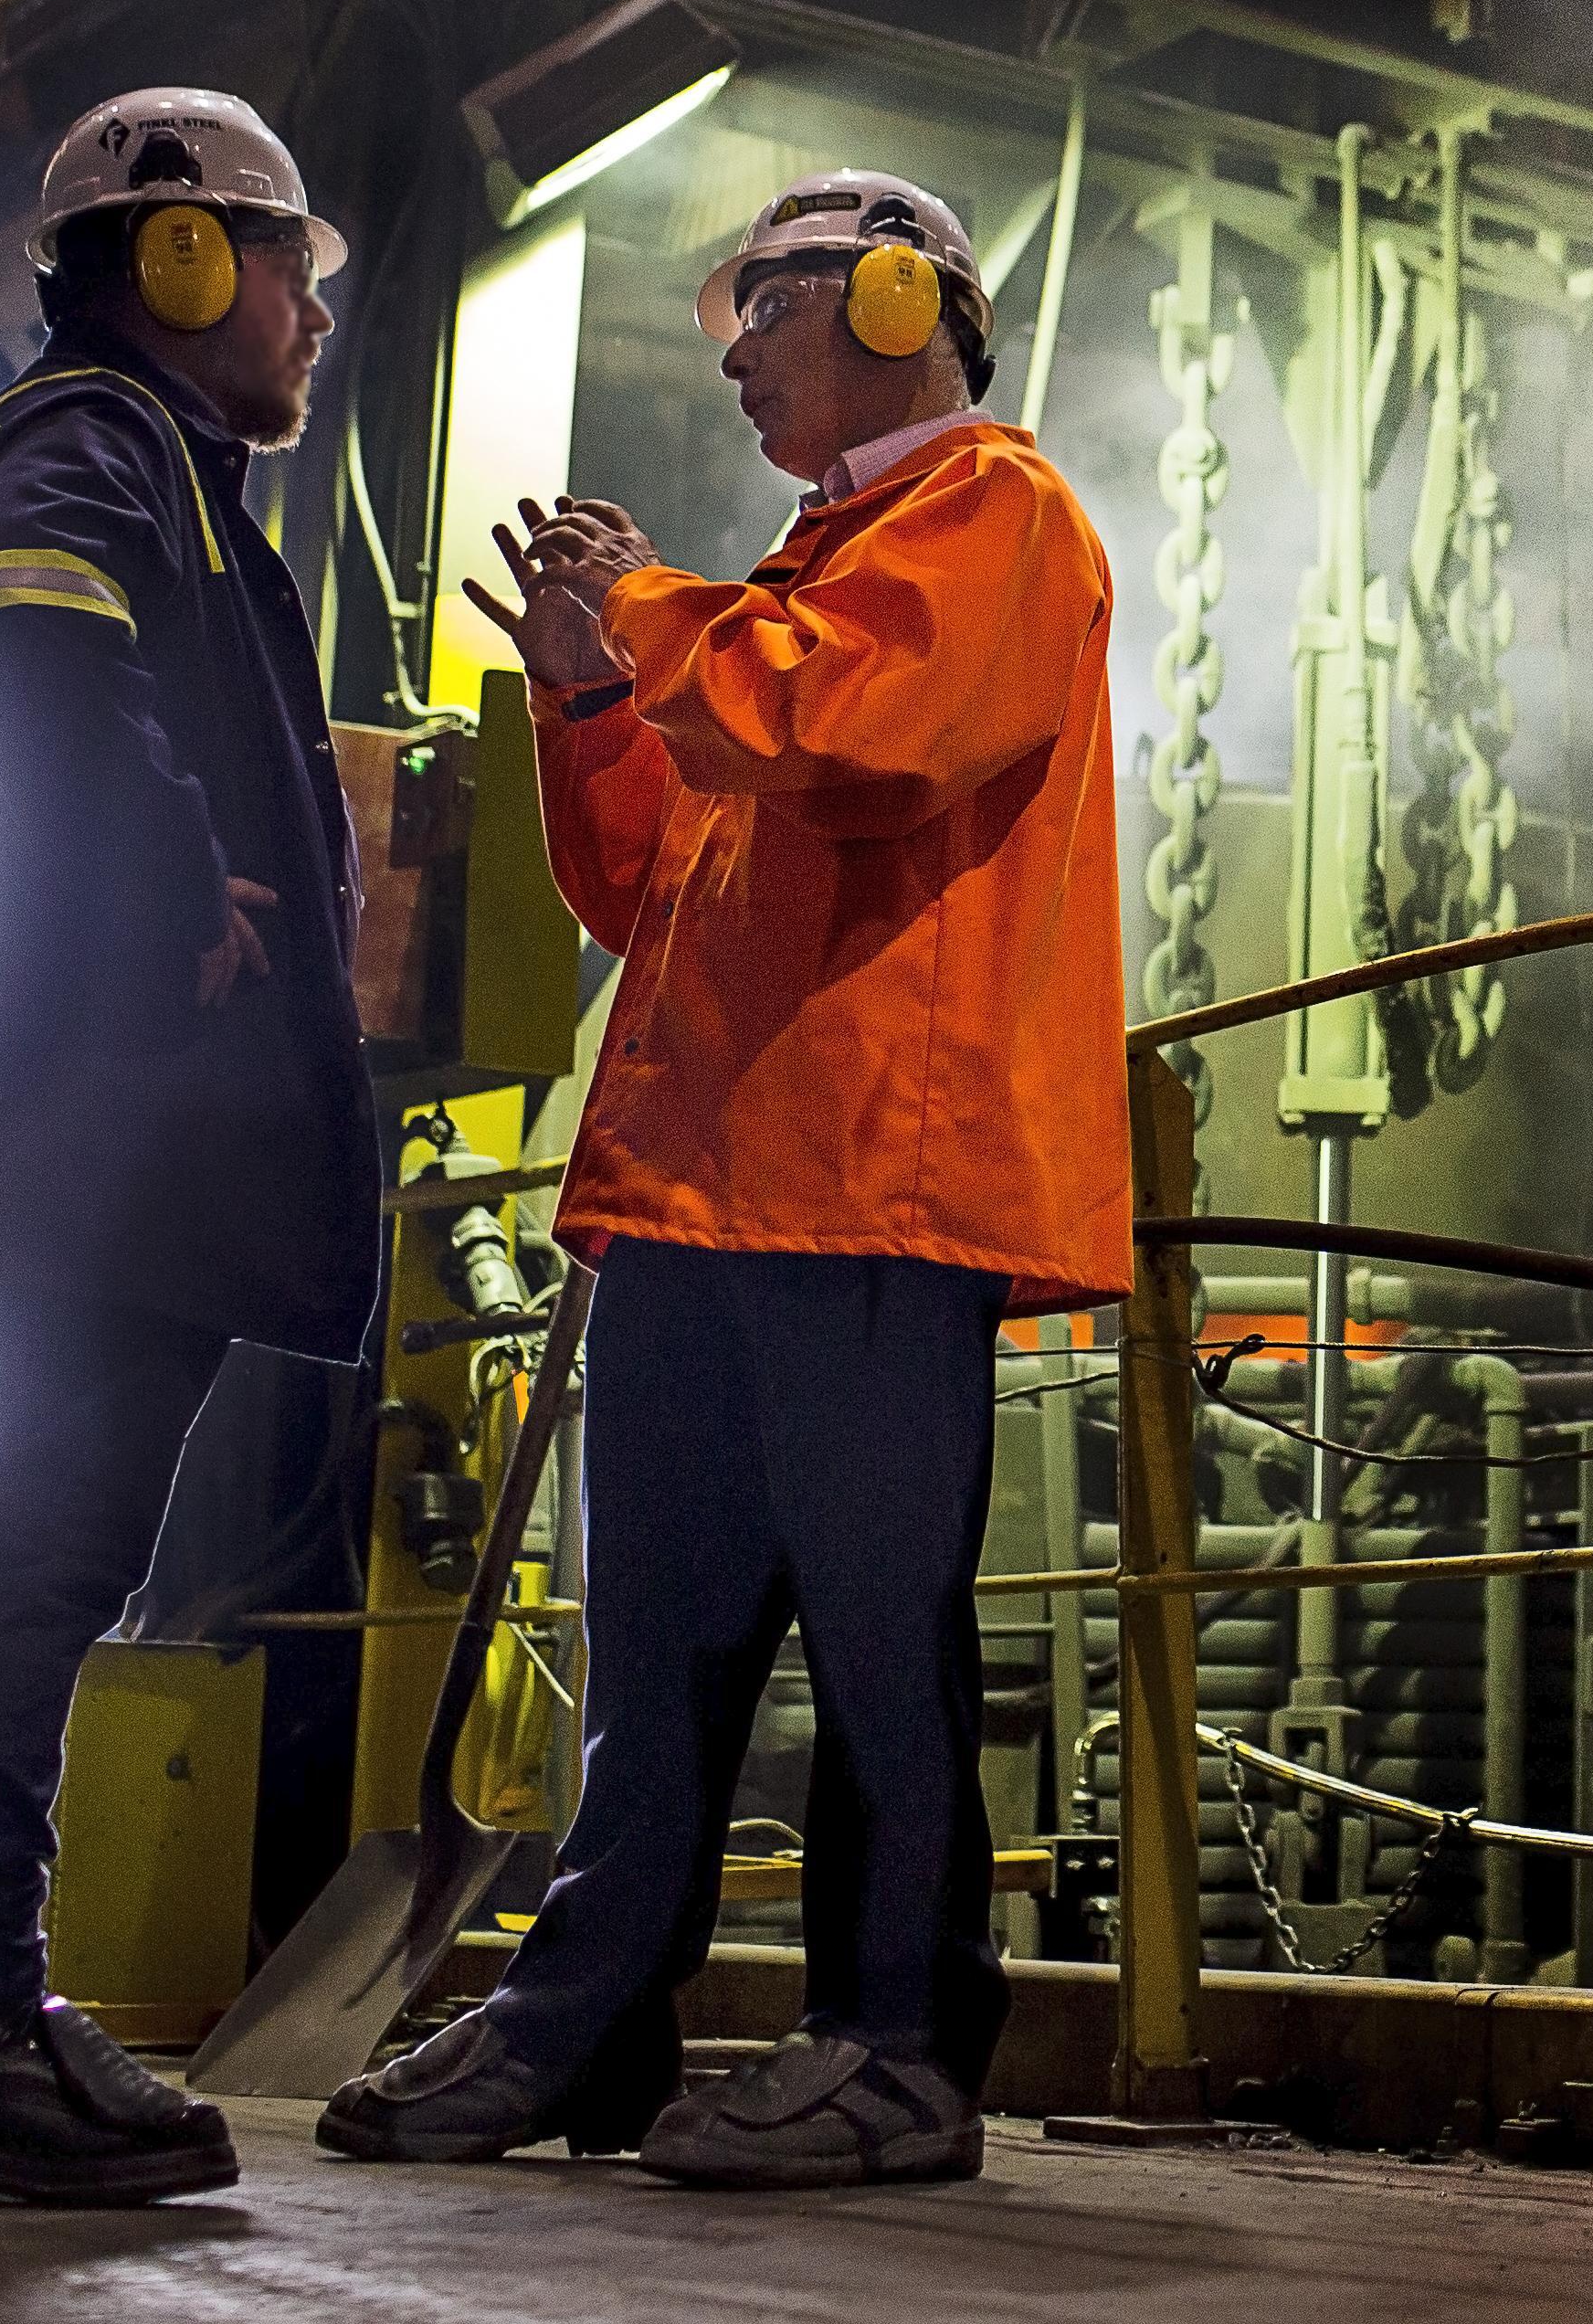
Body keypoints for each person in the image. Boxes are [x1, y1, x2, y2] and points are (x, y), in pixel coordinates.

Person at [322, 166, 1127, 2187]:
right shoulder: (810, 569)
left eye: (760, 310)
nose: (737, 354)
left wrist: (657, 616)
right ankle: (584, 2023)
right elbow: (650, 872)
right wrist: (595, 690)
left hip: (867, 1191)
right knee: (656, 1655)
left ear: (885, 295)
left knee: (879, 1642)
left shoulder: (997, 519)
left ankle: (901, 2048)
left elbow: (857, 739)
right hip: (706, 1195)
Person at [0, 89, 371, 2206]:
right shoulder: (96, 440)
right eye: (291, 269)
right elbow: (39, 639)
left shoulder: (146, 457)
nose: (313, 314)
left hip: (77, 1107)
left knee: (22, 1535)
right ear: (179, 261)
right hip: (96, 1108)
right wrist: (174, 884)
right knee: (48, 1541)